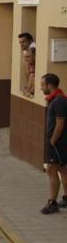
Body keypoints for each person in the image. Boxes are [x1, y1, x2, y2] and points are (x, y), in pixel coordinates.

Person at [40, 74, 67, 214]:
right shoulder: (56, 100)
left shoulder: (59, 101)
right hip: (59, 143)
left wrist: (52, 140)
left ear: (50, 86)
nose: (40, 88)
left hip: (57, 143)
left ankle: (52, 202)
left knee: (51, 170)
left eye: (42, 85)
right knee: (63, 169)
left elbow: (60, 123)